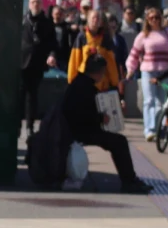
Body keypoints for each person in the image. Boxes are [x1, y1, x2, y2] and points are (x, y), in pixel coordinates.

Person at [63, 55, 151, 194]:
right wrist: (100, 118)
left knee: (117, 141)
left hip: (76, 128)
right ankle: (129, 181)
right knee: (119, 142)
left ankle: (130, 179)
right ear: (100, 72)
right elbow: (82, 114)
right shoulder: (85, 87)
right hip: (80, 130)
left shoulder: (79, 82)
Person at [125, 6, 168, 142]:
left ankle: (160, 128)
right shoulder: (143, 35)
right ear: (147, 20)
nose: (155, 20)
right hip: (148, 70)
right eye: (151, 18)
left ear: (161, 18)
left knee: (163, 102)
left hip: (164, 71)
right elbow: (134, 54)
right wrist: (130, 69)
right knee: (149, 100)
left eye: (157, 17)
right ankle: (149, 130)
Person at [20, 0, 56, 137]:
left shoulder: (47, 23)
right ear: (29, 4)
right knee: (19, 95)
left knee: (32, 96)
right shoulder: (22, 20)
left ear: (42, 5)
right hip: (21, 64)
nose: (36, 4)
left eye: (38, 2)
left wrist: (51, 55)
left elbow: (53, 44)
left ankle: (30, 126)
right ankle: (16, 125)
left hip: (37, 64)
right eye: (33, 2)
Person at [107, 14, 130, 81]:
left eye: (114, 26)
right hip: (107, 70)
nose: (113, 28)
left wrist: (125, 70)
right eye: (111, 26)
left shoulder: (120, 39)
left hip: (118, 70)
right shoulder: (104, 38)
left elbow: (124, 55)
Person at [50, 5, 73, 72]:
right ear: (52, 14)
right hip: (50, 59)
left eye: (60, 14)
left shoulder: (67, 27)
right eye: (56, 14)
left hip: (63, 60)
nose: (58, 16)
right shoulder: (48, 26)